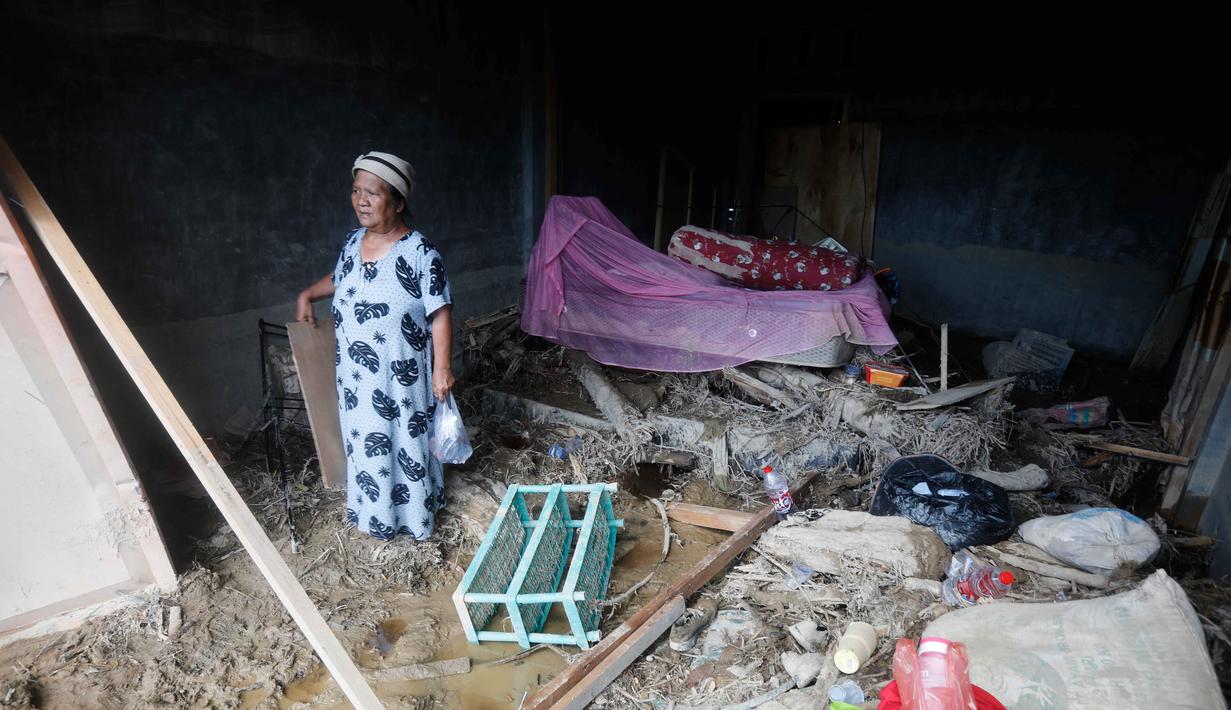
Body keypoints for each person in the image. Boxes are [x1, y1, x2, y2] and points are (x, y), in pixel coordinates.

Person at [296, 151, 453, 541]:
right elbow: (342, 275)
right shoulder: (352, 242)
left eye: (373, 193)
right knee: (365, 440)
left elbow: (440, 312)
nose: (361, 200)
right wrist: (308, 294)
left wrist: (442, 368)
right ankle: (373, 514)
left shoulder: (421, 253)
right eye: (356, 191)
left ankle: (414, 520)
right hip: (355, 375)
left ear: (398, 202)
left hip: (402, 375)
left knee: (404, 439)